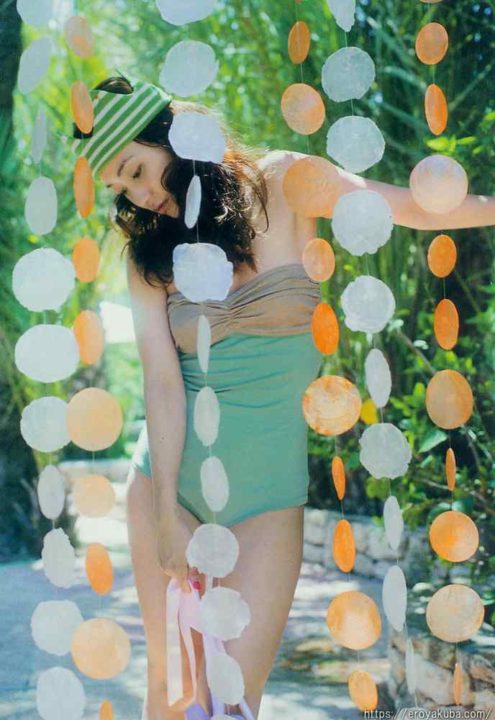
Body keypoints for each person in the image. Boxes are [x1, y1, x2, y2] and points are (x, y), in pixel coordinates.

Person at [72, 75, 495, 720]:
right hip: (170, 486)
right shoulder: (148, 257)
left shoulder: (283, 181)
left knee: (233, 705)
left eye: (136, 170)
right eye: (120, 189)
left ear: (173, 134)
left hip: (268, 496)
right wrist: (164, 515)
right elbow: (161, 382)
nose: (139, 196)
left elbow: (409, 207)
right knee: (172, 700)